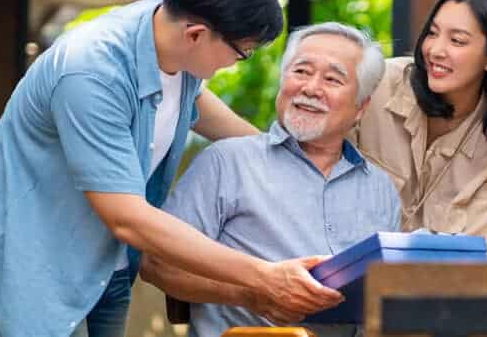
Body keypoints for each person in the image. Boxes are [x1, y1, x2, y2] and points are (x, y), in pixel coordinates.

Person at [0, 0, 341, 337]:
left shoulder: (167, 28)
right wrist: (263, 276)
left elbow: (194, 100)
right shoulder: (90, 73)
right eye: (242, 52)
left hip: (107, 258)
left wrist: (278, 155)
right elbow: (128, 218)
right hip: (42, 254)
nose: (236, 63)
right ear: (196, 35)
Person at [139, 22, 401, 337]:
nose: (311, 88)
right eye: (301, 71)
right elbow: (156, 264)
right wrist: (253, 294)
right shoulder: (227, 162)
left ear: (361, 107)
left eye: (332, 79)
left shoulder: (380, 187)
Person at [351, 0, 487, 241]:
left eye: (457, 41)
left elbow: (464, 253)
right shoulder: (377, 84)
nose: (435, 50)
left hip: (428, 279)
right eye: (432, 33)